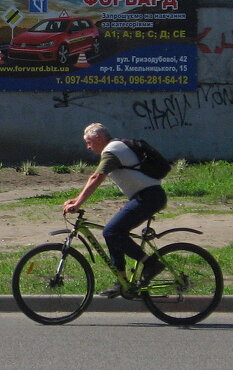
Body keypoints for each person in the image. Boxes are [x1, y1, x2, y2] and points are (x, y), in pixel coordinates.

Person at [61, 122, 167, 297]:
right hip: (146, 196)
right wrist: (76, 199)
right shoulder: (117, 147)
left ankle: (150, 263)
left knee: (112, 231)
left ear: (99, 138)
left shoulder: (112, 150)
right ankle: (121, 281)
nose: (88, 147)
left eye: (89, 142)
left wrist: (78, 203)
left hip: (149, 197)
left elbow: (96, 177)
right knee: (112, 234)